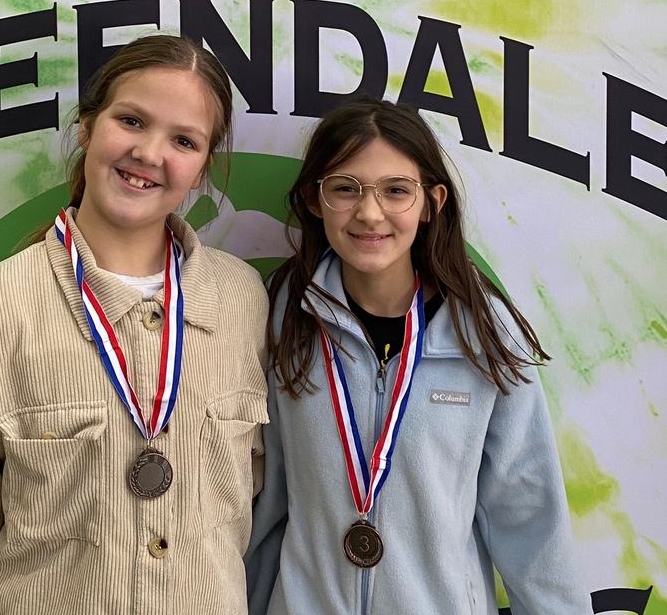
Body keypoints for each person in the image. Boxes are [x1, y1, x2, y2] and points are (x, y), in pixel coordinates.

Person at [0, 34, 269, 615]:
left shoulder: (242, 301)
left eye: (184, 140)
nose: (151, 154)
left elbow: (249, 499)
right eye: (131, 120)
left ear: (204, 166)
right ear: (87, 128)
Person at [245, 97, 591, 615]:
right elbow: (263, 506)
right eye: (345, 188)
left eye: (396, 191)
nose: (369, 212)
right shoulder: (283, 320)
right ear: (316, 201)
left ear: (431, 202)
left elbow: (531, 521)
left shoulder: (486, 339)